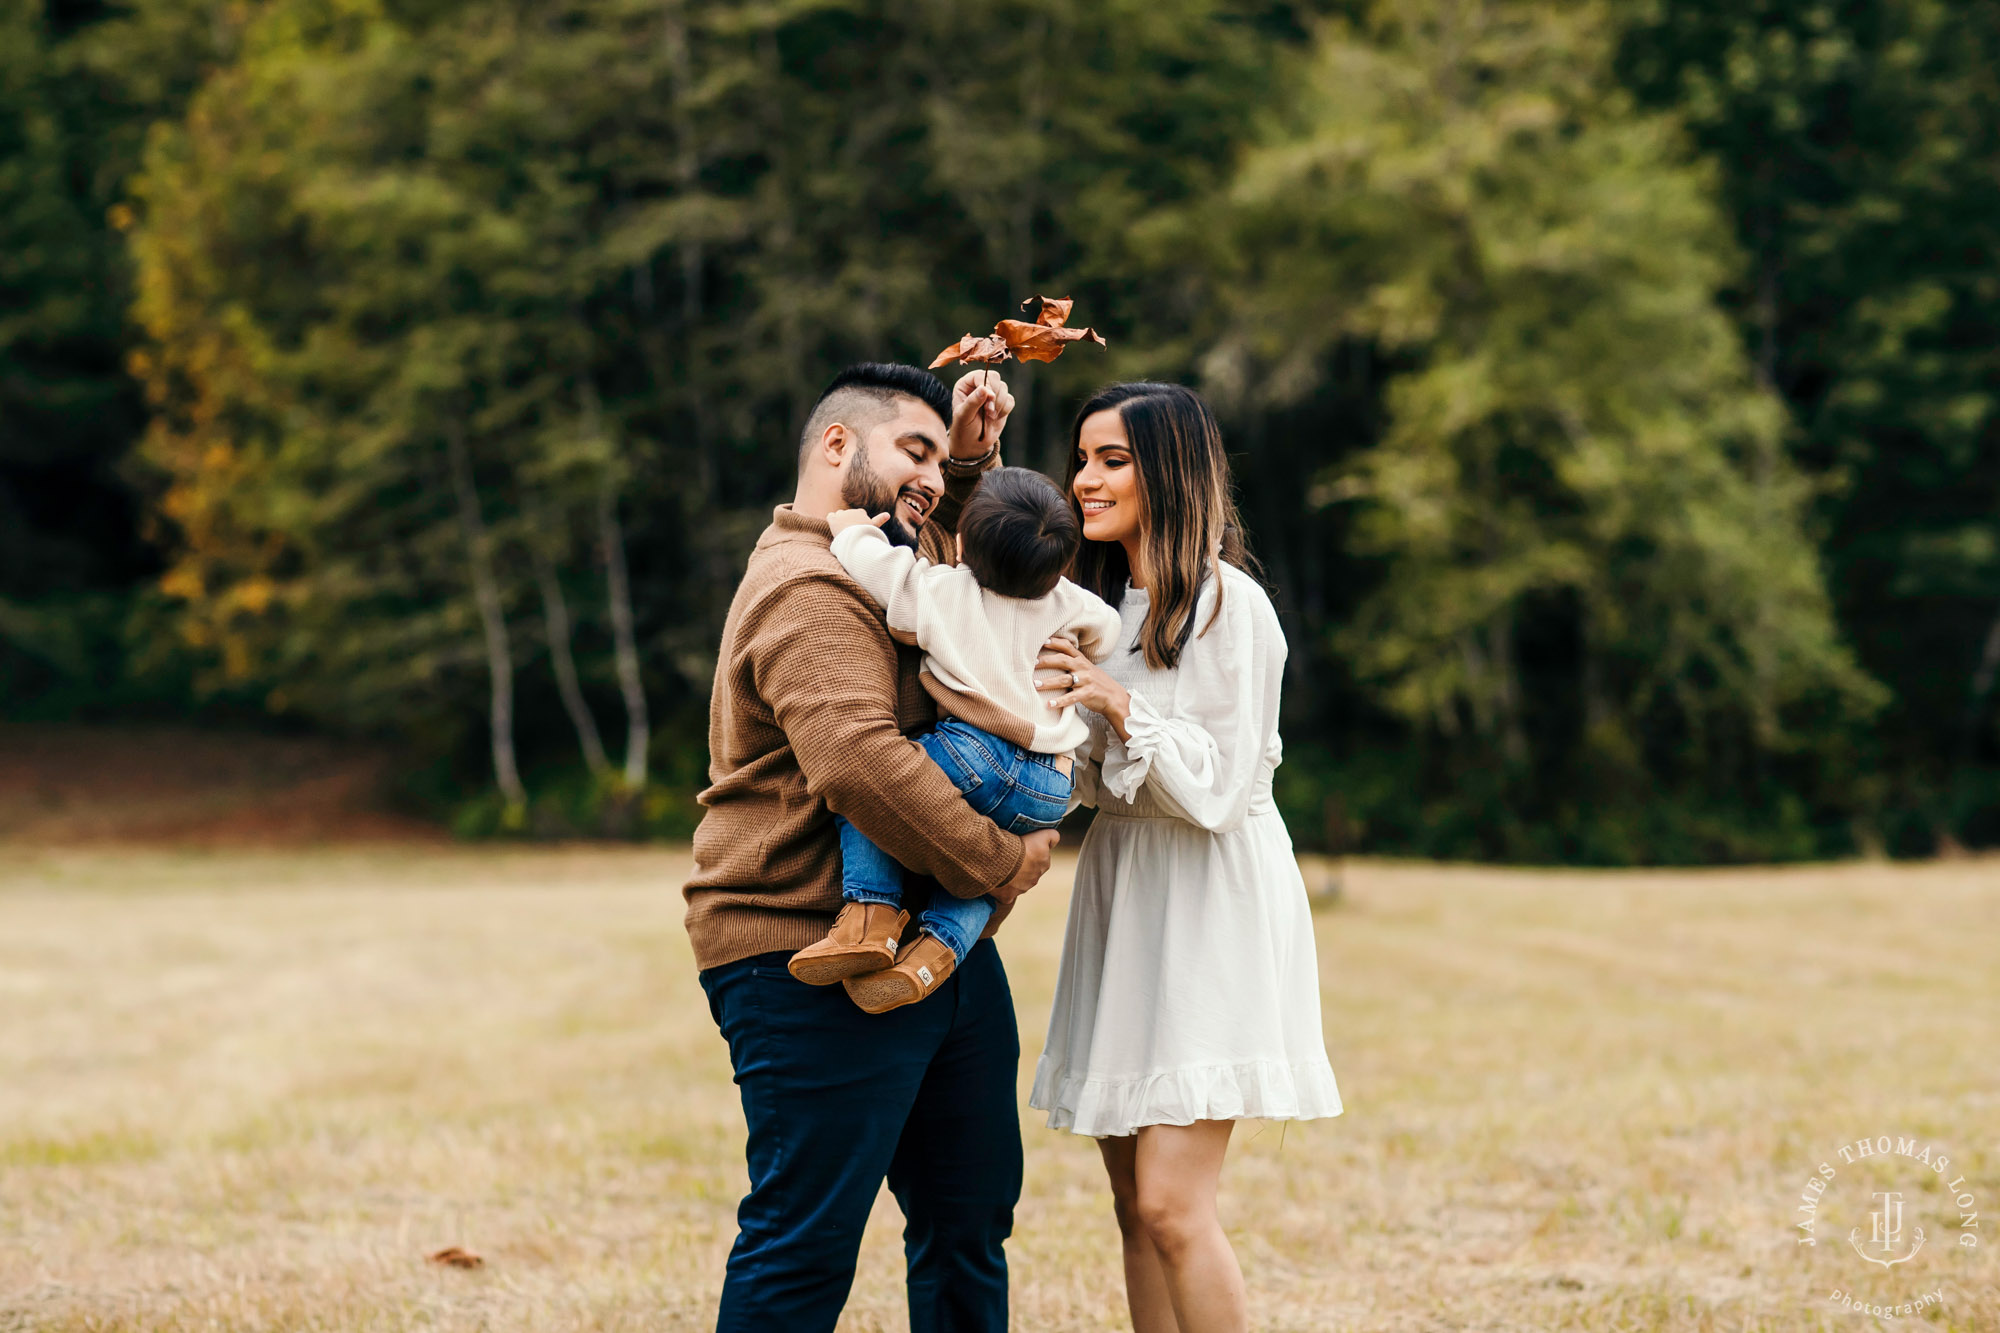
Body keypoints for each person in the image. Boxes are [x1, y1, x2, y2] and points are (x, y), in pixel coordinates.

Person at [685, 363, 1058, 1332]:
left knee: (968, 1218)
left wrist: (969, 457)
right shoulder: (806, 583)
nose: (931, 478)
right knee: (806, 1241)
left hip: (936, 946)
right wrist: (1006, 863)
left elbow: (961, 567)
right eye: (914, 452)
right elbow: (859, 762)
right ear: (837, 448)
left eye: (940, 460)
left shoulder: (881, 554)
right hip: (800, 945)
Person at [1028, 382, 1343, 1333]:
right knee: (1132, 1204)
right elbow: (1086, 782)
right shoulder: (1096, 607)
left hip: (1211, 902)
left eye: (1112, 459)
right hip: (1127, 894)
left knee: (1173, 1201)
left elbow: (1218, 788)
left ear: (1169, 471)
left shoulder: (1229, 607)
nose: (1085, 479)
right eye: (1082, 457)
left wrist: (1118, 706)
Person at [788, 466, 1123, 1012]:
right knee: (980, 882)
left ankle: (871, 917)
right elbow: (1106, 630)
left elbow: (886, 574)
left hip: (979, 752)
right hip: (1049, 787)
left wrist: (851, 529)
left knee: (876, 790)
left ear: (962, 544)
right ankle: (933, 956)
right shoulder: (1071, 602)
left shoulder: (948, 592)